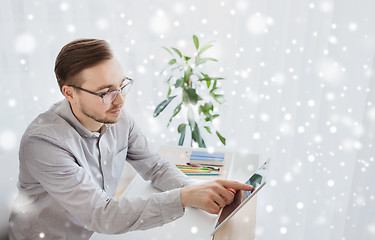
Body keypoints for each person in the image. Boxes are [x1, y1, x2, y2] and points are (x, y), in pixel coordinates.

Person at [8, 38, 254, 239]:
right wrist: (184, 198)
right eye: (106, 92)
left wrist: (197, 190)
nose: (120, 101)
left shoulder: (116, 117)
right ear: (69, 93)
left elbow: (155, 167)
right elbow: (101, 215)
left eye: (122, 85)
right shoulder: (43, 143)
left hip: (98, 231)